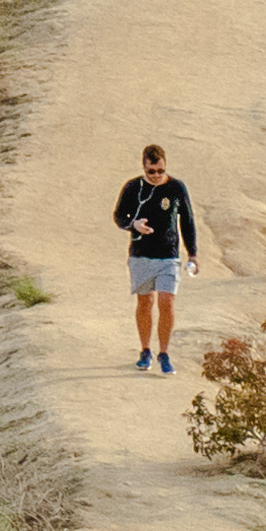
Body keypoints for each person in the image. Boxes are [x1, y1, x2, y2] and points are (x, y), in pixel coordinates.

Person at [110, 143, 199, 374]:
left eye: (161, 171)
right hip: (141, 255)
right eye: (152, 171)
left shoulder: (176, 187)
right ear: (144, 168)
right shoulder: (133, 187)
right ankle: (145, 350)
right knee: (145, 302)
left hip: (169, 256)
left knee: (167, 302)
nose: (157, 176)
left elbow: (187, 221)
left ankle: (165, 353)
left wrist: (193, 253)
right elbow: (119, 216)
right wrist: (134, 225)